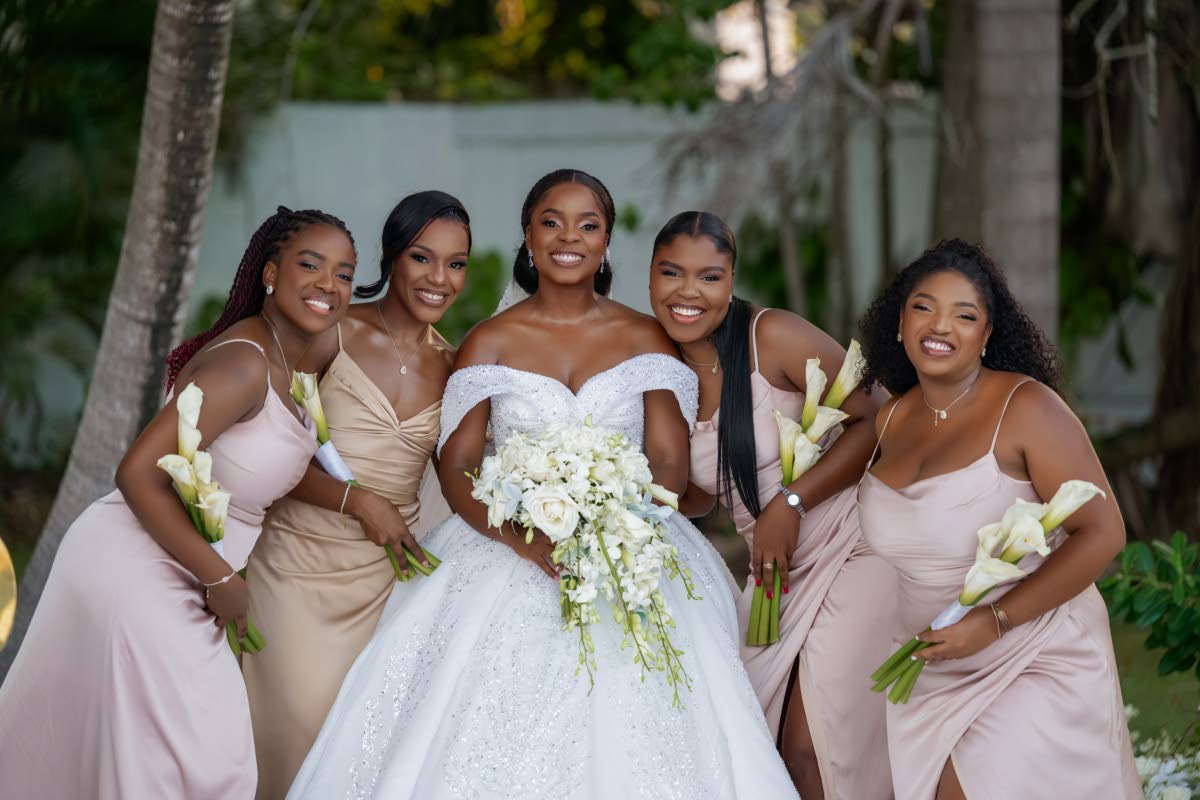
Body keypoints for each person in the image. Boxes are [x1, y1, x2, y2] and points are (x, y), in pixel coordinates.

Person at [287, 170, 798, 799]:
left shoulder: (646, 336)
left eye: (589, 226)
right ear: (527, 235)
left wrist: (620, 520)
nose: (569, 238)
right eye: (552, 222)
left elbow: (667, 459)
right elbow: (458, 466)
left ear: (607, 242)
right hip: (504, 546)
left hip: (631, 544)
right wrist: (520, 535)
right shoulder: (490, 341)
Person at [0, 207, 356, 798]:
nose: (329, 284)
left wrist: (356, 501)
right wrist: (222, 577)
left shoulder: (296, 359)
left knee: (155, 763)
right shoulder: (242, 363)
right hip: (135, 568)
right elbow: (139, 472)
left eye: (344, 273)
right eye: (311, 265)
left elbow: (255, 471)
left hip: (185, 573)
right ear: (270, 272)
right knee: (203, 766)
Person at [856, 239, 1143, 800]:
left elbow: (1104, 532)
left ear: (986, 336)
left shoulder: (1027, 408)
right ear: (899, 322)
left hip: (1034, 649)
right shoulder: (890, 419)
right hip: (933, 665)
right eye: (924, 307)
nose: (941, 326)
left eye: (965, 315)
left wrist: (995, 621)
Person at [649, 210, 895, 799]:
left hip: (854, 544)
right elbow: (703, 493)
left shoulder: (773, 337)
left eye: (708, 277)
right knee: (766, 740)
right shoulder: (660, 366)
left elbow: (876, 416)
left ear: (731, 281)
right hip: (772, 574)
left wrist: (792, 499)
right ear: (650, 277)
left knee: (818, 744)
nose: (688, 292)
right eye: (671, 273)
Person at [243, 191, 469, 798]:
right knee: (295, 735)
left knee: (361, 754)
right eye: (423, 258)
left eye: (457, 263)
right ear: (392, 258)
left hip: (386, 586)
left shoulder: (455, 368)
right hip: (296, 568)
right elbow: (266, 453)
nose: (440, 279)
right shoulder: (331, 334)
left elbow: (461, 481)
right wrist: (357, 501)